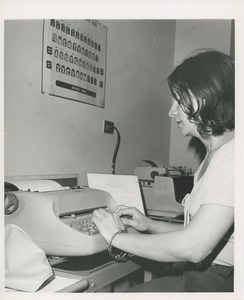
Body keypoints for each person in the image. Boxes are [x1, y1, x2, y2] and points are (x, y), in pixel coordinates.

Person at [92, 49, 234, 292]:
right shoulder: (213, 156)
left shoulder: (234, 157)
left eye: (178, 101)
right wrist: (149, 225)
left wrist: (118, 238)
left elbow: (194, 246)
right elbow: (202, 231)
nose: (171, 111)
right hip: (202, 276)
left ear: (205, 97)